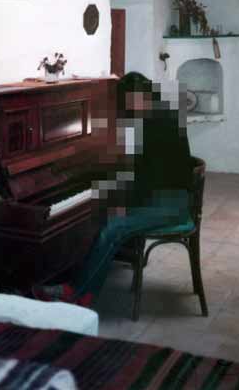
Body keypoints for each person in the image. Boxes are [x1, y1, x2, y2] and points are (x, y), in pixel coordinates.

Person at [32, 72, 193, 307]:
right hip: (160, 194)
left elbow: (149, 177)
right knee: (105, 215)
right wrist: (97, 182)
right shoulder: (156, 115)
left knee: (113, 227)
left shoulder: (158, 123)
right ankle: (79, 278)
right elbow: (140, 172)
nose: (130, 108)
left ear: (144, 95)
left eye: (132, 101)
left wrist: (117, 199)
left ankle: (78, 295)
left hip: (170, 205)